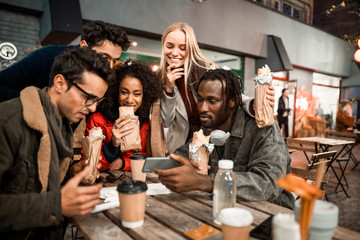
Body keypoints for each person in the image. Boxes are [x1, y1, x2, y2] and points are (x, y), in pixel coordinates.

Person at [0, 47, 115, 239]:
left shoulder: (59, 125)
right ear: (60, 83)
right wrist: (56, 204)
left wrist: (72, 173)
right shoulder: (8, 122)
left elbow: (39, 185)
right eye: (88, 98)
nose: (93, 107)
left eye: (98, 100)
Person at [155, 69, 294, 209]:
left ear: (232, 101)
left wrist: (204, 182)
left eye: (212, 101)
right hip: (223, 210)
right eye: (200, 99)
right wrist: (173, 166)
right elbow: (183, 154)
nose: (202, 108)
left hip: (270, 218)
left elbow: (267, 184)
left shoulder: (263, 127)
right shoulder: (208, 128)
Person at [159, 22, 275, 153]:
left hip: (209, 141)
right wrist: (169, 88)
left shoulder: (203, 70)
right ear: (163, 46)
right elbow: (166, 121)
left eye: (182, 48)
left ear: (191, 49)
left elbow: (232, 96)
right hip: (179, 145)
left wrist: (254, 104)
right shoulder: (160, 78)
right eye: (170, 46)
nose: (175, 53)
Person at [0, 20, 131, 102]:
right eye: (104, 57)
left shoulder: (103, 78)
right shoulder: (47, 57)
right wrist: (40, 103)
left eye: (115, 61)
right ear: (84, 46)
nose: (110, 66)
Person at [86, 59, 162, 171]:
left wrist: (123, 162)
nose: (130, 100)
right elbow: (89, 163)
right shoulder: (97, 121)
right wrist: (113, 144)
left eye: (137, 94)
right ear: (116, 92)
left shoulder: (147, 124)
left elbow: (151, 159)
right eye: (124, 92)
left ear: (145, 96)